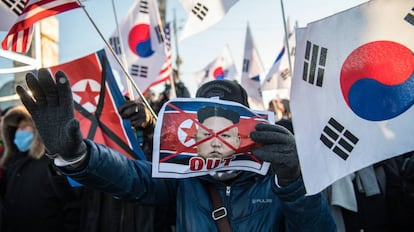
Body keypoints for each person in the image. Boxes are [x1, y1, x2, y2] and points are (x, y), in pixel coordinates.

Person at [16, 68, 336, 231]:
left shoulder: (276, 175)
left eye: (229, 123)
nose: (218, 136)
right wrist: (77, 155)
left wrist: (294, 184)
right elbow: (131, 177)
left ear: (250, 123)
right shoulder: (184, 180)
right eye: (207, 124)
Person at [0, 105, 81, 232]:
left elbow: (72, 206)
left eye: (25, 126)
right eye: (17, 128)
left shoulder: (53, 164)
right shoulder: (12, 164)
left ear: (38, 130)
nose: (19, 132)